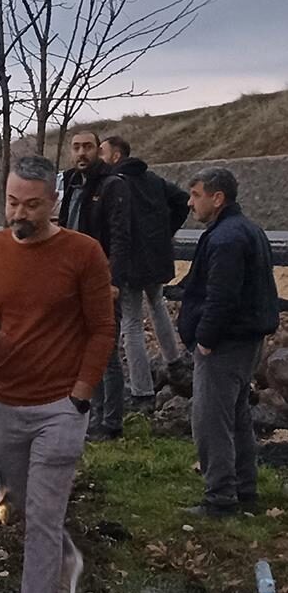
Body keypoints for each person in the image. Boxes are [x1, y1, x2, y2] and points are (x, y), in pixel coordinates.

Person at [0, 155, 116, 593]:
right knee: (24, 507)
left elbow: (101, 328)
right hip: (4, 402)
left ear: (52, 202)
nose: (17, 214)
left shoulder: (83, 253)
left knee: (43, 519)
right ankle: (62, 559)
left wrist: (80, 393)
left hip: (58, 407)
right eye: (10, 202)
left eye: (30, 205)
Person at [178, 167, 278, 518]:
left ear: (216, 198)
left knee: (210, 421)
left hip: (225, 343)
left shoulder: (226, 238)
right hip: (246, 339)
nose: (191, 203)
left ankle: (220, 498)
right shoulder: (245, 229)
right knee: (236, 417)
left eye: (195, 195)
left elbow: (222, 295)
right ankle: (244, 488)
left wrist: (205, 338)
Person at [99, 136, 190, 405]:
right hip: (156, 257)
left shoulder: (115, 184)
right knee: (157, 303)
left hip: (128, 262)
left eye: (102, 152)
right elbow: (183, 200)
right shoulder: (153, 180)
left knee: (132, 323)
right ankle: (174, 360)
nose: (99, 158)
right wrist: (166, 232)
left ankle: (141, 390)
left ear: (116, 156)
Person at [58, 129, 131, 440]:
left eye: (87, 146)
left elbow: (121, 237)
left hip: (101, 281)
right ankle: (92, 412)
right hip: (73, 281)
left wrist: (112, 279)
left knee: (107, 352)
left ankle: (111, 422)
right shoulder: (72, 184)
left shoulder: (112, 185)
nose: (81, 152)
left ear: (98, 150)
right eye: (76, 147)